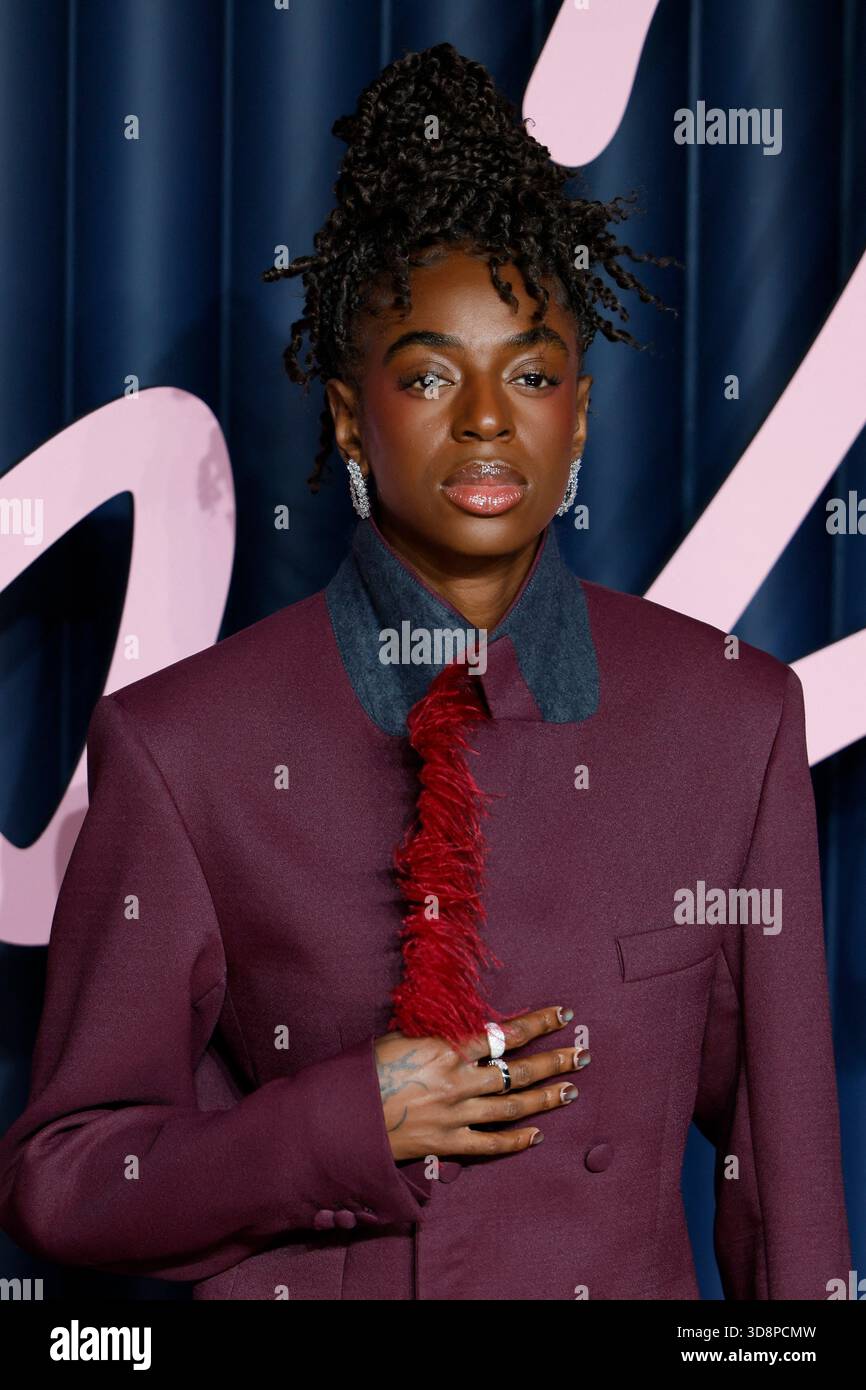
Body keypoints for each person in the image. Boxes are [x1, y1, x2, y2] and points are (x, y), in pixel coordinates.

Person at [0, 43, 850, 1301]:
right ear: (351, 417)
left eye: (531, 372)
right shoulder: (185, 744)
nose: (486, 419)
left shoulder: (727, 715)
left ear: (580, 415)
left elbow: (783, 1197)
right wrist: (349, 1121)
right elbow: (63, 1178)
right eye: (428, 375)